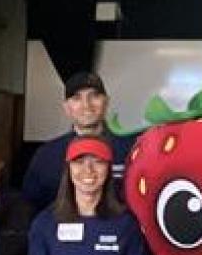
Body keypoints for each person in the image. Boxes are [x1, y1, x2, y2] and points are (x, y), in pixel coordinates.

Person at [21, 71, 132, 212]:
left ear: (106, 102)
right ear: (66, 107)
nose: (86, 105)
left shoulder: (130, 151)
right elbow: (29, 207)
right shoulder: (47, 155)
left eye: (94, 96)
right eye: (76, 98)